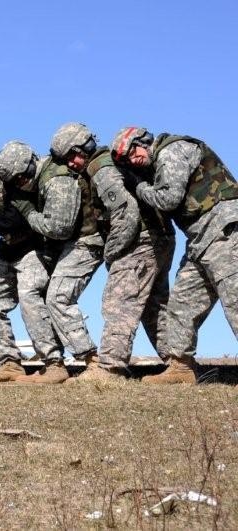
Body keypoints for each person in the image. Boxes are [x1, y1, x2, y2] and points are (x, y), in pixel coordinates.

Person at [110, 127, 238, 383]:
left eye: (132, 151)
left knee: (235, 300)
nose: (132, 159)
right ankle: (181, 367)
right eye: (125, 160)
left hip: (224, 231)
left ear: (144, 141)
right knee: (181, 304)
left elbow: (168, 199)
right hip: (201, 240)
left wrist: (139, 186)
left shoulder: (171, 151)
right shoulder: (159, 162)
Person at [70, 138, 175, 381]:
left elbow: (126, 212)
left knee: (118, 302)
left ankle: (110, 367)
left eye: (70, 156)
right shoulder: (110, 164)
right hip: (159, 238)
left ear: (80, 150)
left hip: (141, 241)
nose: (69, 163)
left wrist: (113, 252)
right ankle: (179, 362)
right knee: (154, 307)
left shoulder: (101, 168)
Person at [9, 123, 105, 383]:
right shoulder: (49, 173)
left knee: (58, 297)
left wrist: (29, 213)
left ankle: (93, 362)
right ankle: (53, 363)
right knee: (32, 291)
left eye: (20, 178)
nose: (73, 163)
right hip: (73, 243)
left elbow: (58, 228)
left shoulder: (57, 180)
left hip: (88, 241)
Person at [0, 141, 64, 383]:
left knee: (29, 296)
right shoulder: (0, 180)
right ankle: (9, 363)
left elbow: (16, 219)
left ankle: (53, 362)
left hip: (34, 249)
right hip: (8, 251)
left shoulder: (28, 179)